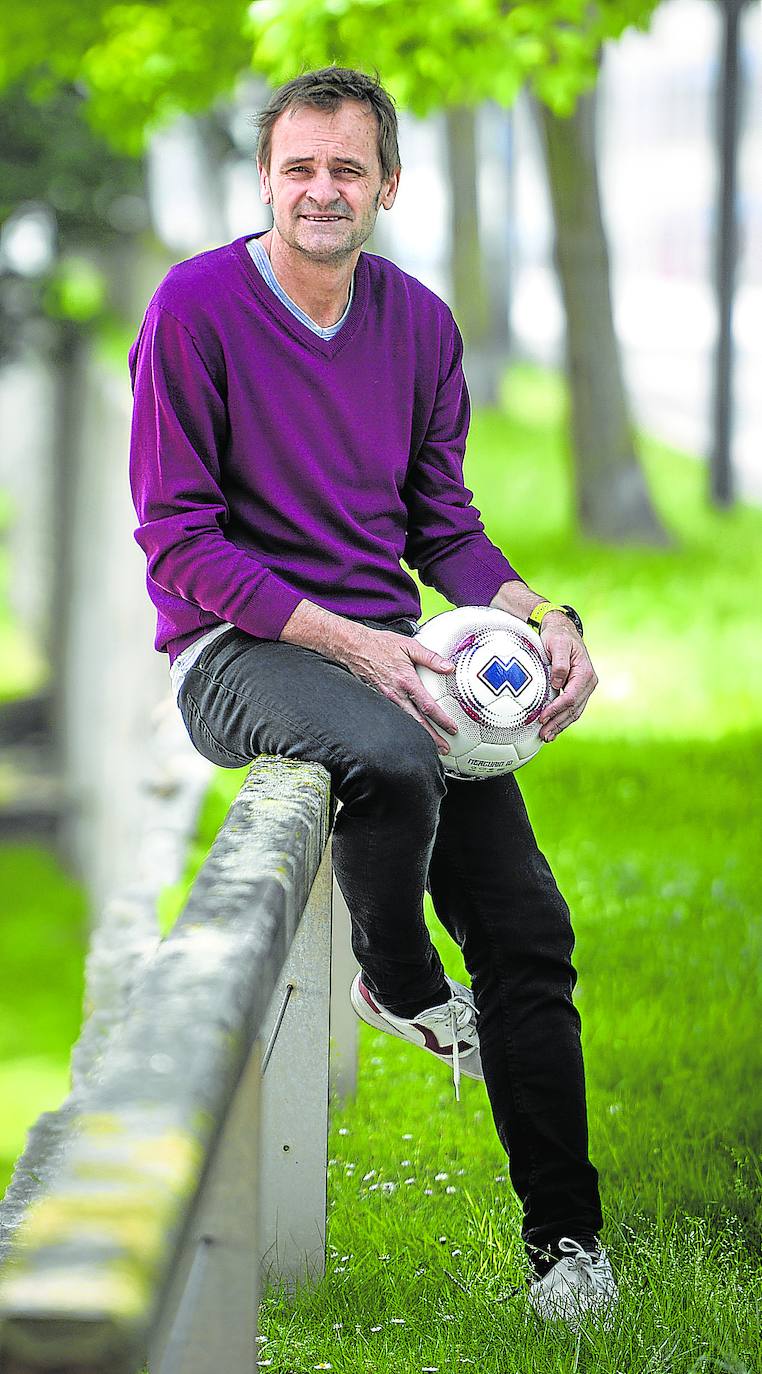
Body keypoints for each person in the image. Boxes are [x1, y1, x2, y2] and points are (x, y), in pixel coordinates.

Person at [128, 66, 616, 1327]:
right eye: (300, 167)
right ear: (267, 181)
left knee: (526, 931)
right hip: (236, 650)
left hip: (390, 661)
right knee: (393, 761)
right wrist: (350, 640)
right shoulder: (193, 311)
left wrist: (541, 617)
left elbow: (442, 526)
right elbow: (176, 541)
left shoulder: (421, 323)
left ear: (388, 184)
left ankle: (567, 1249)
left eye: (348, 168)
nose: (322, 190)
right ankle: (397, 982)